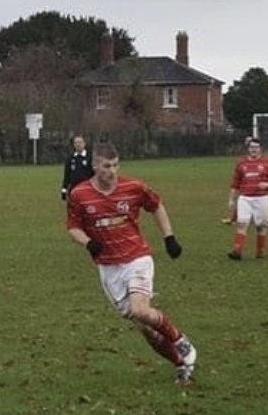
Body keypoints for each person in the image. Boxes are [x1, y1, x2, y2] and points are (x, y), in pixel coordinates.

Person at [66, 142, 197, 385]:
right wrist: (88, 243)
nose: (112, 171)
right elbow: (73, 227)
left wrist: (169, 238)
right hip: (108, 267)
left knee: (140, 309)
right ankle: (180, 365)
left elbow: (156, 205)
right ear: (95, 166)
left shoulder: (133, 187)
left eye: (116, 165)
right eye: (106, 166)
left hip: (137, 257)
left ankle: (181, 341)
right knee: (144, 327)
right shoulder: (79, 194)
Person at [226, 137, 268, 260]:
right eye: (251, 147)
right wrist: (231, 199)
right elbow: (235, 183)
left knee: (261, 226)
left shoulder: (267, 162)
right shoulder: (241, 163)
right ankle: (237, 251)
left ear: (260, 149)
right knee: (241, 223)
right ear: (248, 149)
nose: (253, 150)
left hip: (261, 198)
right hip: (245, 198)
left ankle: (260, 252)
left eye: (256, 147)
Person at [61, 135, 94, 201]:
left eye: (80, 142)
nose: (78, 145)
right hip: (74, 189)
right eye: (76, 143)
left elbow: (95, 174)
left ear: (84, 144)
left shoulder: (90, 157)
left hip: (87, 189)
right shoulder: (70, 158)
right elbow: (66, 176)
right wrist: (64, 190)